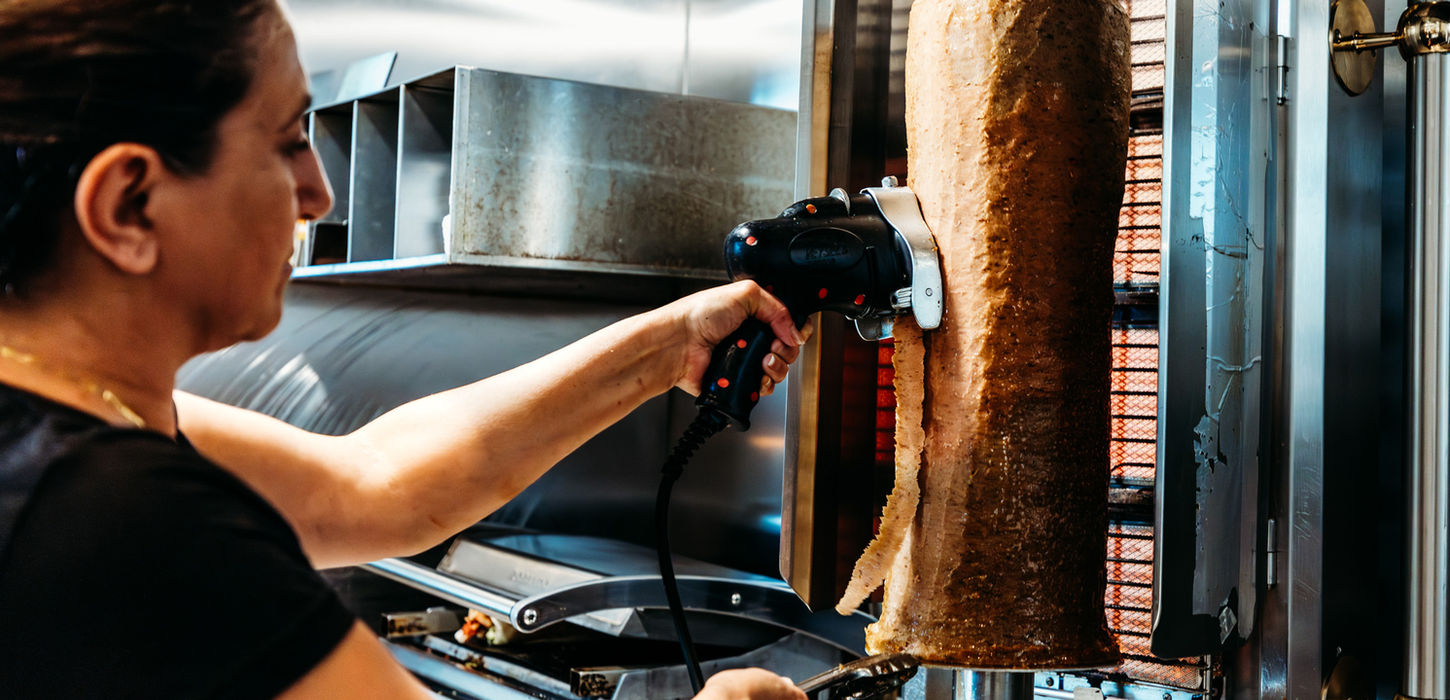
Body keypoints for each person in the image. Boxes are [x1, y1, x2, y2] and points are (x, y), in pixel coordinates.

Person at [0, 1, 812, 698]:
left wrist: (667, 347)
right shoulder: (119, 519)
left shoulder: (74, 419)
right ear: (128, 206)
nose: (317, 193)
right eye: (286, 142)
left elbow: (375, 486)